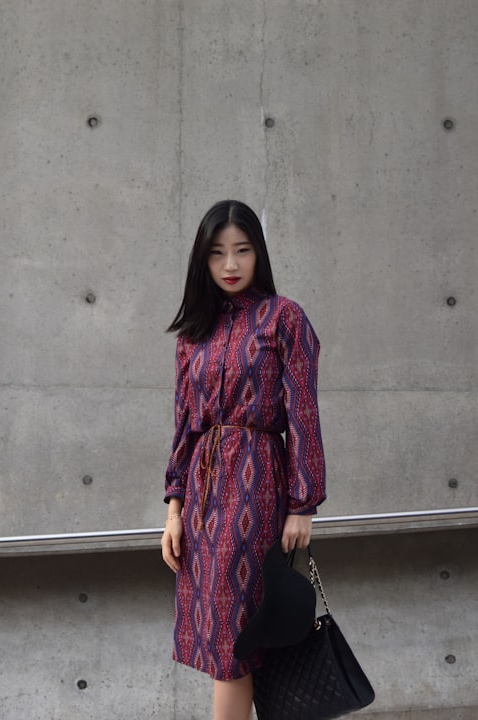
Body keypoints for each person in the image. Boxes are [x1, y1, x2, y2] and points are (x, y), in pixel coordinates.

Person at [160, 200, 326, 720]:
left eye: (242, 250)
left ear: (259, 254)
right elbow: (185, 427)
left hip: (258, 489)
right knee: (227, 638)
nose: (230, 264)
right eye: (217, 254)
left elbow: (302, 412)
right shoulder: (193, 335)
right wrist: (172, 509)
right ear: (202, 261)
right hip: (203, 501)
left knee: (235, 639)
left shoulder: (285, 318)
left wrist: (303, 505)